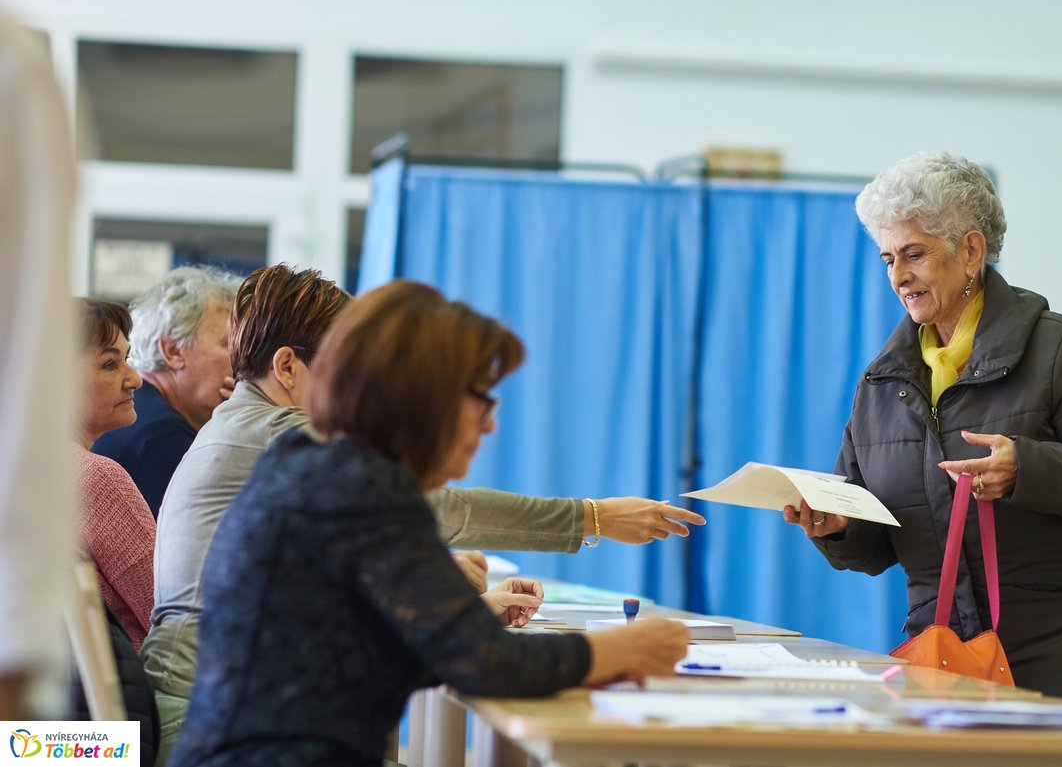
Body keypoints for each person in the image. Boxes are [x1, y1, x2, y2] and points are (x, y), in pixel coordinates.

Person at [145, 263, 704, 764]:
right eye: (479, 399)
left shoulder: (319, 463)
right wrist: (626, 647)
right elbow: (488, 663)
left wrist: (452, 620)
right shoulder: (345, 472)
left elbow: (355, 645)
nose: (491, 424)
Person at [784, 151, 1062, 710]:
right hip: (947, 667)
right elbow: (877, 548)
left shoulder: (1059, 347)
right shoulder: (881, 383)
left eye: (914, 254)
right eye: (888, 258)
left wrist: (1026, 470)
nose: (898, 276)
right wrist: (837, 527)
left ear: (970, 251)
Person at [0, 7, 77, 720]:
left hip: (114, 733)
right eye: (111, 361)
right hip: (144, 735)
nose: (131, 376)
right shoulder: (105, 475)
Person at [93, 265, 241, 517]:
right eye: (231, 344)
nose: (244, 360)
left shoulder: (140, 410)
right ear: (173, 352)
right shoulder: (162, 436)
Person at [75, 299, 158, 650]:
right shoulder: (97, 478)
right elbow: (169, 614)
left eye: (127, 358)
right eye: (110, 364)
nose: (134, 379)